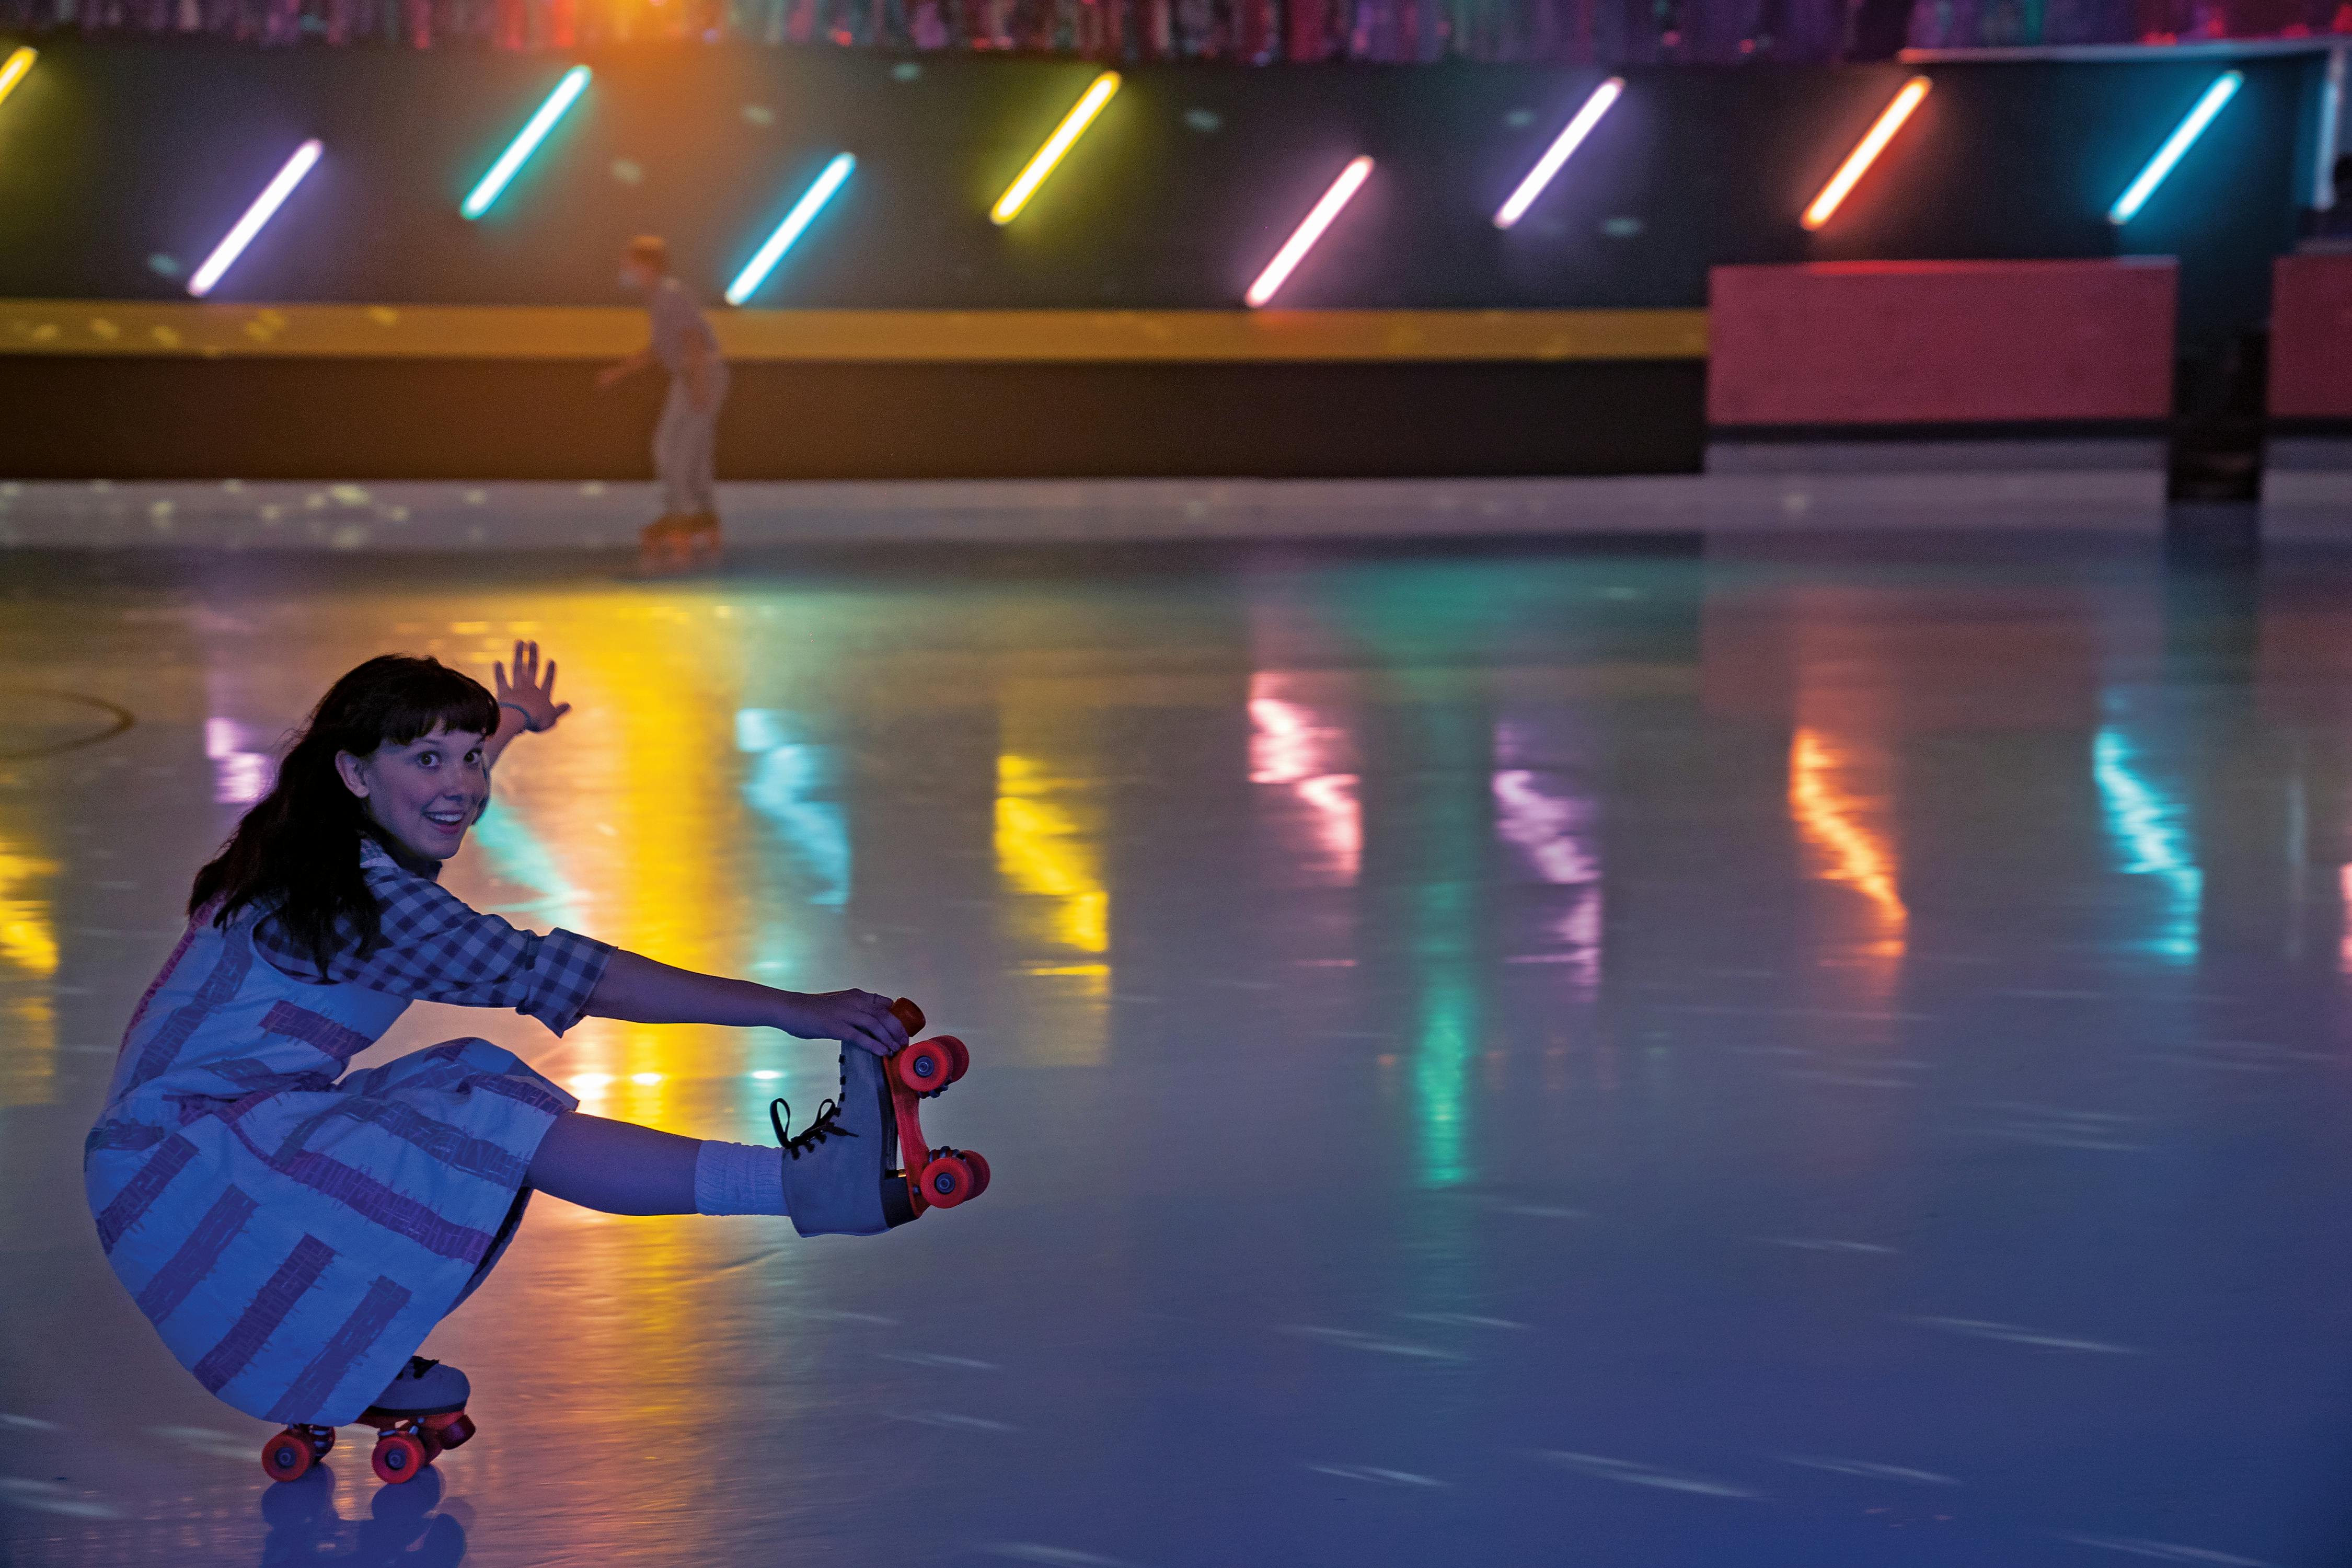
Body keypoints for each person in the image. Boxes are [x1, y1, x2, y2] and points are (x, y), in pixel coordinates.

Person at [85, 645, 918, 1445]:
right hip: (187, 1163)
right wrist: (795, 1009)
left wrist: (507, 719)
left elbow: (431, 795)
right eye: (428, 759)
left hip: (201, 1137)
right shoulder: (364, 905)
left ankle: (353, 1353)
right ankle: (807, 1186)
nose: (462, 787)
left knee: (473, 1091)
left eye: (473, 758)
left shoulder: (316, 844)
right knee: (482, 1114)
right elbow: (577, 979)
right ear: (354, 772)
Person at [598, 237, 729, 571]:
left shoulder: (671, 293)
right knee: (680, 448)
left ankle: (684, 516)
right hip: (689, 376)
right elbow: (660, 348)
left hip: (700, 373)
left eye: (630, 264)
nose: (625, 271)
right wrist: (621, 371)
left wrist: (699, 385)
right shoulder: (658, 298)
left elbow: (692, 337)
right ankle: (695, 513)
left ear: (648, 266)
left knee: (678, 449)